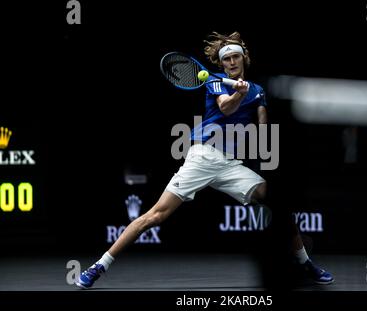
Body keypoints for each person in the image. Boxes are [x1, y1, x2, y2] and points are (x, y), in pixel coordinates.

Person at [75, 31, 334, 289]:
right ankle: (100, 265)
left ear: (244, 58)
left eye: (236, 57)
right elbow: (226, 107)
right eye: (227, 59)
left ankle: (305, 263)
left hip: (231, 165)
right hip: (202, 156)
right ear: (221, 64)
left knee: (280, 203)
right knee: (154, 216)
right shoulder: (216, 81)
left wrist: (262, 127)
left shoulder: (257, 90)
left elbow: (264, 126)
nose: (232, 62)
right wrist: (240, 95)